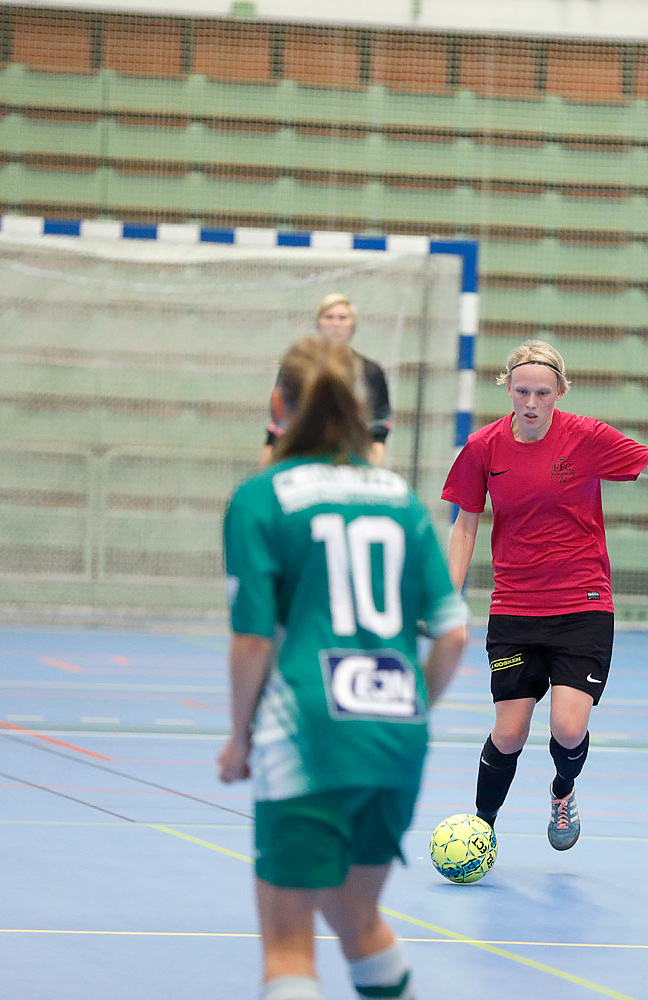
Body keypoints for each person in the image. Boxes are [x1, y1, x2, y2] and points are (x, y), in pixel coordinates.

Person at [440, 339, 648, 850]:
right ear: (507, 388)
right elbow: (465, 527)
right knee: (508, 732)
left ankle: (563, 788)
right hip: (514, 607)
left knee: (568, 729)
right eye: (522, 390)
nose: (531, 403)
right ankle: (480, 828)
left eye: (543, 393)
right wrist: (447, 599)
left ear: (560, 392)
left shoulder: (585, 437)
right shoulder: (484, 447)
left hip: (583, 604)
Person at [220, 336, 469, 1000]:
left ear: (278, 405)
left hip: (307, 727)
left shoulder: (262, 497)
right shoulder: (400, 499)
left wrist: (239, 736)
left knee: (289, 940)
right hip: (396, 732)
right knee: (356, 918)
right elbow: (453, 635)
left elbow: (251, 641)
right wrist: (413, 707)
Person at [261, 294, 393, 468]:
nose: (335, 324)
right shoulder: (295, 367)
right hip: (299, 459)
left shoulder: (370, 371)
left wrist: (374, 471)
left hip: (352, 461)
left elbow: (378, 429)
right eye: (329, 317)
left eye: (342, 318)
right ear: (319, 323)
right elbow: (277, 427)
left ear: (352, 325)